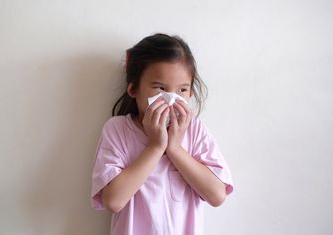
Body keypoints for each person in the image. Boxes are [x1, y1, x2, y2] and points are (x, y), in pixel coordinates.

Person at [91, 33, 234, 235]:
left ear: (190, 93)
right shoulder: (117, 130)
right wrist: (156, 147)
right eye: (160, 88)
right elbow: (113, 201)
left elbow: (217, 195)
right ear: (133, 89)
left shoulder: (194, 130)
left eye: (182, 90)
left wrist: (174, 148)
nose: (170, 99)